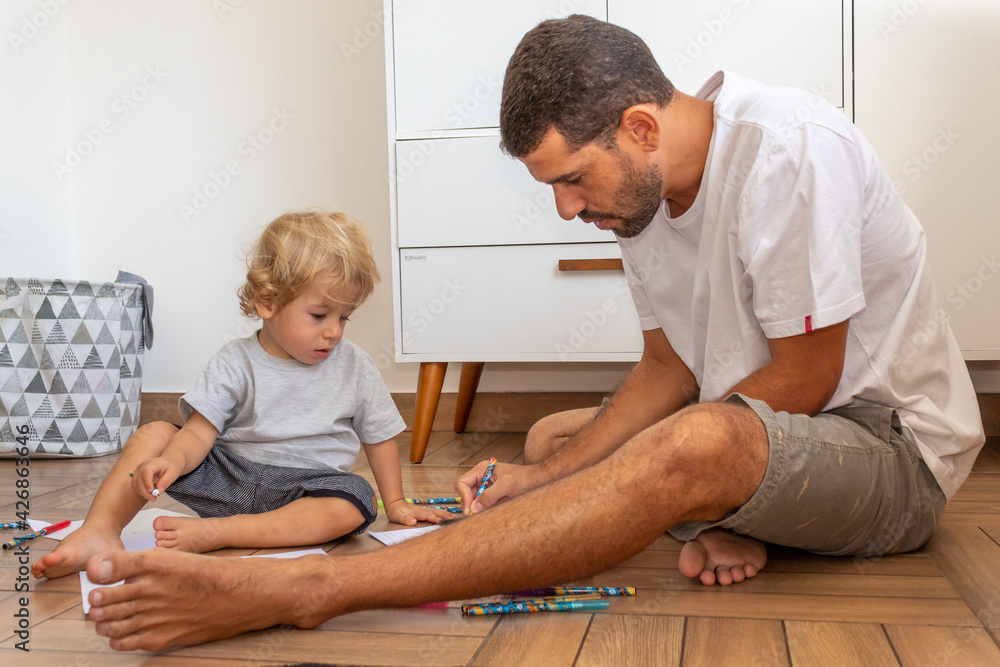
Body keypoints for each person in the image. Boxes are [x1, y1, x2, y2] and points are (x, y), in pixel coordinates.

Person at [82, 16, 984, 651]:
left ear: (640, 126)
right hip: (775, 430)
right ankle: (708, 510)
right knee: (558, 440)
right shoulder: (640, 203)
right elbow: (666, 368)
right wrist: (544, 478)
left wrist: (685, 483)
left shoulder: (788, 148)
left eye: (575, 181)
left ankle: (312, 588)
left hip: (887, 447)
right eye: (551, 186)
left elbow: (808, 377)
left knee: (688, 445)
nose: (565, 208)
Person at [32, 209, 450, 580]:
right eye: (320, 315)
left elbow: (378, 436)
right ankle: (100, 531)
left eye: (345, 317)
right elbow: (197, 433)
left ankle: (217, 534)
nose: (334, 331)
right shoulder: (235, 362)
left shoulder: (355, 365)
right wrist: (168, 461)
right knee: (155, 433)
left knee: (357, 499)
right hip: (231, 477)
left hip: (305, 489)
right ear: (267, 302)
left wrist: (394, 502)